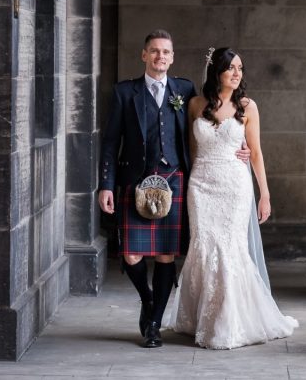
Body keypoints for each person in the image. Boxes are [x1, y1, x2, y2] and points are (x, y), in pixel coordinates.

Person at [98, 31, 249, 348]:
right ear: (144, 55)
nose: (160, 57)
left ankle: (153, 325)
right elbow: (111, 142)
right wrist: (106, 185)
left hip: (175, 178)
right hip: (136, 180)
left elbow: (208, 127)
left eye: (165, 52)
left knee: (166, 255)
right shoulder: (126, 92)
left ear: (172, 56)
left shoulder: (184, 90)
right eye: (154, 51)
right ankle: (149, 299)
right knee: (131, 254)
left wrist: (241, 145)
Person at [165, 47, 298, 349]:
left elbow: (256, 152)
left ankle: (227, 323)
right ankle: (201, 318)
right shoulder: (196, 104)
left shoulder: (248, 106)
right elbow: (190, 150)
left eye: (241, 68)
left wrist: (264, 194)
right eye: (231, 68)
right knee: (203, 248)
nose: (237, 74)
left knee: (228, 248)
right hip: (201, 186)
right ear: (217, 72)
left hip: (235, 187)